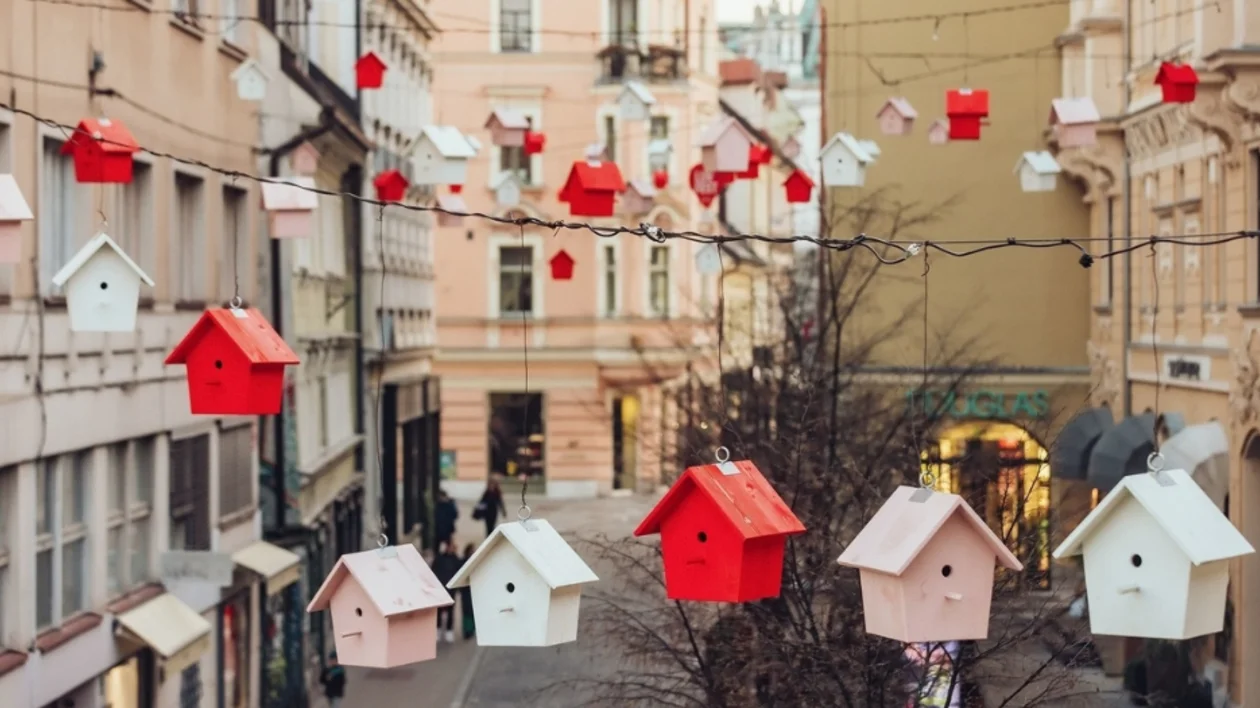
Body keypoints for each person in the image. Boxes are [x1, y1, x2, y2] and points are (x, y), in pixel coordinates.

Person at [431, 540, 462, 643]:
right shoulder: (439, 558)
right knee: (438, 611)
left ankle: (449, 631)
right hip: (440, 588)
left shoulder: (456, 559)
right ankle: (438, 630)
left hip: (451, 590)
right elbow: (433, 571)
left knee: (450, 610)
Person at [473, 475, 507, 540]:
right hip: (487, 512)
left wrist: (503, 511)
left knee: (492, 525)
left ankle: (491, 537)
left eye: (493, 483)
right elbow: (482, 501)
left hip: (493, 511)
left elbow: (500, 502)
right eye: (491, 483)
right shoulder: (487, 492)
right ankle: (488, 537)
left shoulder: (497, 492)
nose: (492, 485)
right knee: (488, 526)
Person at [460, 542, 477, 639]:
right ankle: (467, 630)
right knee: (467, 611)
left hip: (473, 590)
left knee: (473, 610)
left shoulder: (474, 561)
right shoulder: (464, 562)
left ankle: (472, 629)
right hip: (466, 591)